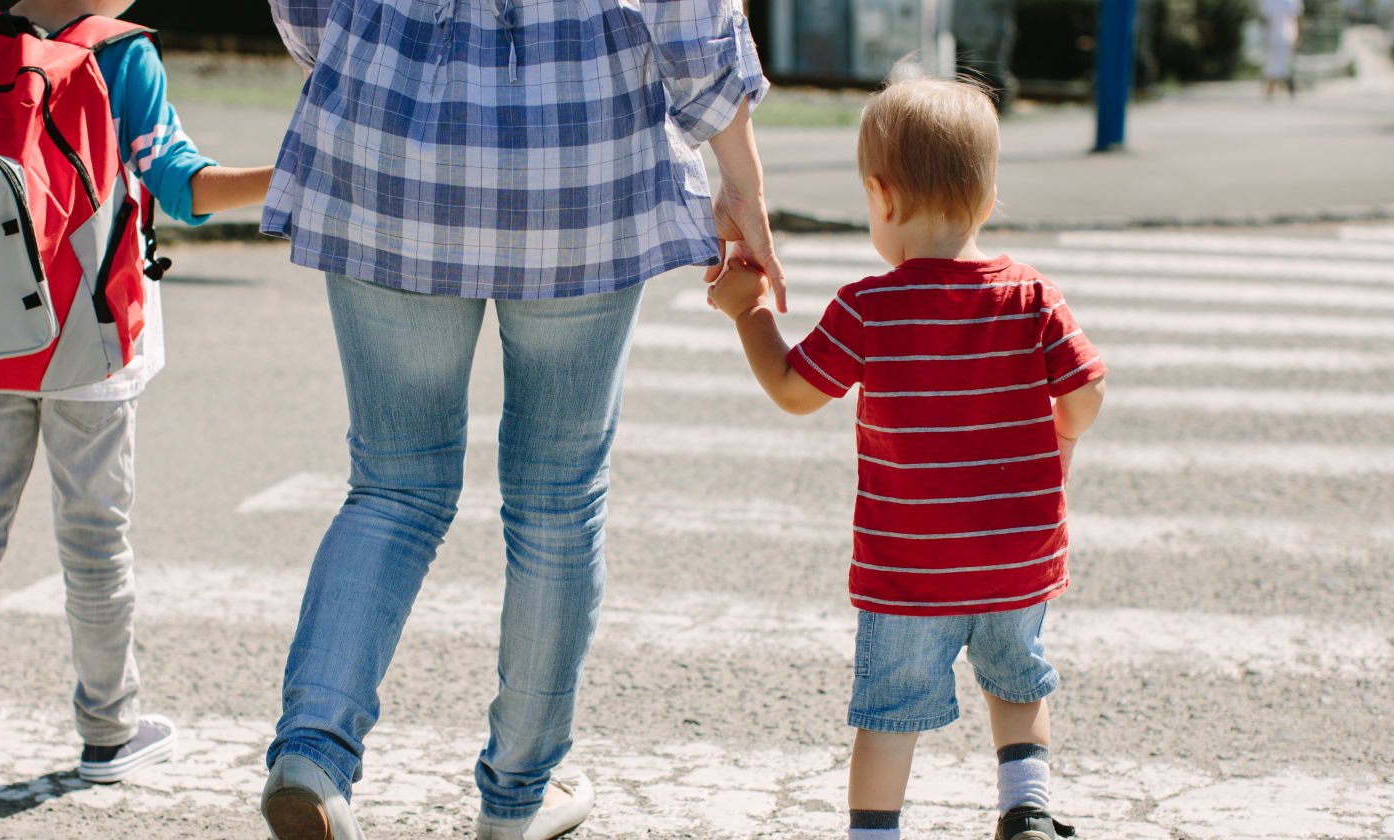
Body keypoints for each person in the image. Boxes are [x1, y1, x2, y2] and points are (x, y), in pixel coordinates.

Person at [258, 0, 780, 838]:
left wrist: (363, 49)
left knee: (392, 488)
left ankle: (312, 756)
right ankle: (517, 800)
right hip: (578, 147)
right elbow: (690, 14)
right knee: (557, 503)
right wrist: (742, 181)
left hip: (390, 134)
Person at [0, 1, 272, 834]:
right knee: (95, 540)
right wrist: (296, 171)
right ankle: (110, 729)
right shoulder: (120, 59)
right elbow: (181, 185)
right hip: (87, 346)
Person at [706, 67, 1106, 840]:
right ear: (987, 201)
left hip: (910, 568)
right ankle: (1026, 809)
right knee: (1019, 684)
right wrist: (1059, 443)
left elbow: (793, 391)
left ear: (880, 198)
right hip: (1017, 556)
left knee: (889, 713)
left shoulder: (870, 305)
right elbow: (1085, 396)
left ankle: (874, 832)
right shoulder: (1032, 296)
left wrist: (750, 311)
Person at [1261, 0, 1303, 100]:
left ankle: (1280, 89)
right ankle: (1280, 89)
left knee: (1279, 64)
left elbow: (1296, 19)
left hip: (1283, 36)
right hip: (1282, 36)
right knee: (1278, 64)